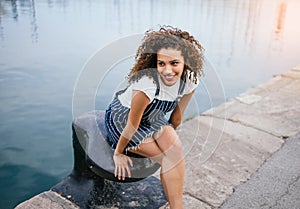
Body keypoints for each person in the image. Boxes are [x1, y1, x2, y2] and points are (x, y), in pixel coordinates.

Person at [104, 25, 204, 209]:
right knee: (166, 159)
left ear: (185, 62)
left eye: (174, 63)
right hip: (125, 119)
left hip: (153, 117)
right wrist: (118, 153)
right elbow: (132, 125)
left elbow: (176, 118)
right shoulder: (147, 84)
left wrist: (167, 138)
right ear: (155, 62)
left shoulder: (190, 82)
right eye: (161, 63)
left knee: (176, 153)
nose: (167, 70)